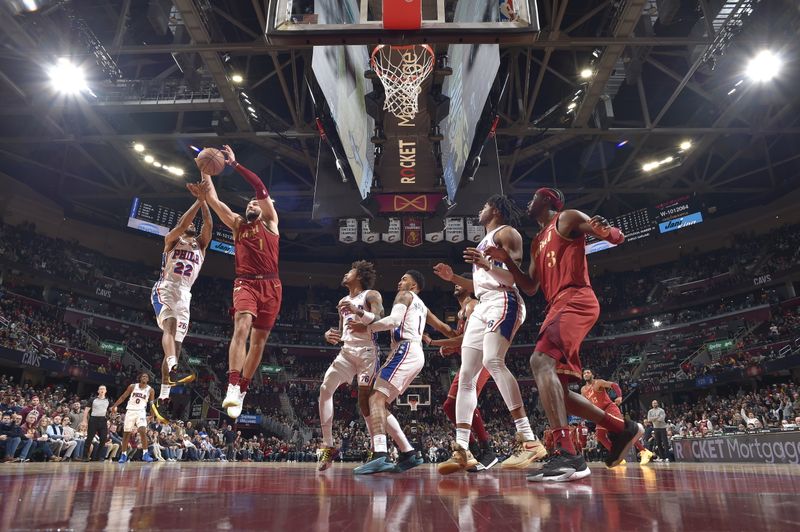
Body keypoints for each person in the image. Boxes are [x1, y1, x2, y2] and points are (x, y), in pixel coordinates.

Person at [484, 187, 641, 482]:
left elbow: (612, 236)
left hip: (576, 298)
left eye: (533, 198)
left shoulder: (566, 219)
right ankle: (622, 429)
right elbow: (530, 287)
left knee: (539, 361)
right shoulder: (536, 243)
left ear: (547, 200)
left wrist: (607, 232)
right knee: (563, 394)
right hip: (556, 305)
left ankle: (569, 455)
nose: (529, 203)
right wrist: (505, 260)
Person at [433, 195, 546, 474]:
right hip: (484, 303)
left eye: (483, 205)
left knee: (494, 361)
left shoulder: (507, 233)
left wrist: (486, 264)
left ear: (495, 209)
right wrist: (454, 279)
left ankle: (529, 440)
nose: (479, 209)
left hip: (504, 300)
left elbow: (513, 278)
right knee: (466, 376)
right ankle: (462, 449)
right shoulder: (485, 240)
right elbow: (482, 281)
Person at [189, 145, 281, 419]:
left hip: (272, 286)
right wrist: (204, 170)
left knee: (259, 342)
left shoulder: (271, 223)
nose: (252, 203)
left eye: (257, 203)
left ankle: (243, 388)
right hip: (246, 284)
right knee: (241, 326)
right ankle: (231, 384)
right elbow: (214, 199)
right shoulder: (237, 224)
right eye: (250, 202)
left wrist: (235, 165)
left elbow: (260, 186)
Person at [341, 270, 454, 474]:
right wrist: (460, 338)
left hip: (405, 349)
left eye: (404, 279)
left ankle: (380, 454)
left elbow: (393, 321)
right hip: (415, 353)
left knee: (374, 399)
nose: (399, 281)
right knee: (379, 402)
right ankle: (408, 453)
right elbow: (445, 327)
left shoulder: (404, 296)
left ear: (414, 286)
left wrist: (365, 326)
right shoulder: (423, 307)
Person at [318, 261, 386, 472]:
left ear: (359, 275)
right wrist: (330, 336)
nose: (346, 273)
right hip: (347, 352)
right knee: (324, 390)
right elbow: (342, 332)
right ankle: (329, 446)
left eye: (350, 270)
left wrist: (359, 312)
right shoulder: (342, 300)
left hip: (367, 353)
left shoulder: (371, 295)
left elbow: (381, 318)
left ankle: (376, 450)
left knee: (364, 403)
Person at [424, 276, 498, 472]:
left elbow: (466, 338)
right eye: (456, 283)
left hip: (481, 360)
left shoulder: (473, 305)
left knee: (466, 400)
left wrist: (434, 343)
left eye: (462, 283)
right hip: (469, 361)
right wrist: (451, 346)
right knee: (449, 406)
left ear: (470, 288)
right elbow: (460, 340)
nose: (457, 285)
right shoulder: (460, 313)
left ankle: (487, 451)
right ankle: (472, 449)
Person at [150, 193, 212, 422]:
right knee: (170, 327)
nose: (192, 225)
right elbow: (184, 223)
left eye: (194, 224)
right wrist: (197, 200)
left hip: (185, 295)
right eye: (189, 223)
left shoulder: (201, 246)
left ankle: (164, 396)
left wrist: (205, 201)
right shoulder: (172, 241)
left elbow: (209, 224)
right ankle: (175, 366)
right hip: (166, 288)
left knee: (174, 345)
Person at [581, 369, 654, 466]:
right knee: (600, 435)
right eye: (584, 373)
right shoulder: (583, 390)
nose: (586, 374)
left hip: (610, 408)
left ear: (592, 375)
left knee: (623, 431)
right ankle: (617, 456)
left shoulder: (598, 382)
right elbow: (585, 403)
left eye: (588, 372)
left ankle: (644, 451)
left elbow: (614, 385)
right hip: (600, 413)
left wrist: (619, 396)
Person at [111, 372, 155, 464]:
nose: (144, 377)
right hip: (130, 411)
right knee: (126, 433)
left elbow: (151, 403)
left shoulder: (150, 390)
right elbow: (123, 397)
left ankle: (145, 454)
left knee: (143, 430)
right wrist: (114, 406)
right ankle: (123, 454)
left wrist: (152, 415)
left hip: (141, 412)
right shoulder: (132, 386)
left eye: (146, 376)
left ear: (148, 379)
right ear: (140, 378)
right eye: (143, 376)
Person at [81, 385, 110, 461]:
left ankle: (98, 456)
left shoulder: (108, 400)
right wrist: (84, 420)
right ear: (98, 391)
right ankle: (85, 456)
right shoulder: (92, 399)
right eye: (100, 389)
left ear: (106, 391)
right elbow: (86, 410)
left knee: (103, 438)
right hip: (93, 419)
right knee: (89, 438)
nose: (102, 390)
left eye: (103, 389)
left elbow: (111, 409)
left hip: (103, 420)